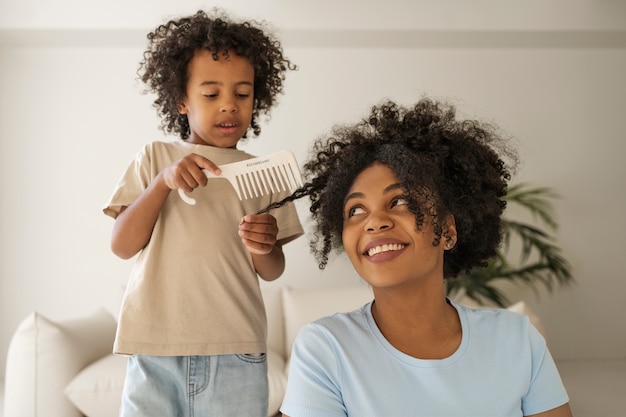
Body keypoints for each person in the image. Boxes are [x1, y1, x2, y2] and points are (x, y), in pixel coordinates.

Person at [268, 98, 572, 417]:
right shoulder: (326, 348)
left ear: (448, 230)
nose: (374, 221)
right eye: (355, 210)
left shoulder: (517, 340)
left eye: (399, 200)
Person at [102, 9, 303, 417]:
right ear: (181, 99)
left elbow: (272, 269)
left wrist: (263, 244)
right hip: (153, 347)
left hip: (237, 349)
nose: (229, 106)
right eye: (211, 94)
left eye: (242, 94)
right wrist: (162, 183)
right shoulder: (155, 158)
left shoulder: (265, 174)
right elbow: (122, 246)